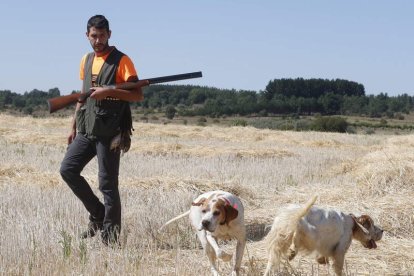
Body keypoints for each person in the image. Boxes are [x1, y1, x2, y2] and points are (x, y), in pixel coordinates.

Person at [60, 15, 147, 246]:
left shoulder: (122, 60)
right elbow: (83, 94)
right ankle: (98, 214)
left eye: (102, 35)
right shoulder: (86, 60)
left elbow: (137, 95)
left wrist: (108, 92)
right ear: (87, 36)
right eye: (93, 36)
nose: (98, 40)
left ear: (109, 34)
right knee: (67, 170)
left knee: (108, 185)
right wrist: (73, 126)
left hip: (109, 132)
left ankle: (110, 239)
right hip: (87, 129)